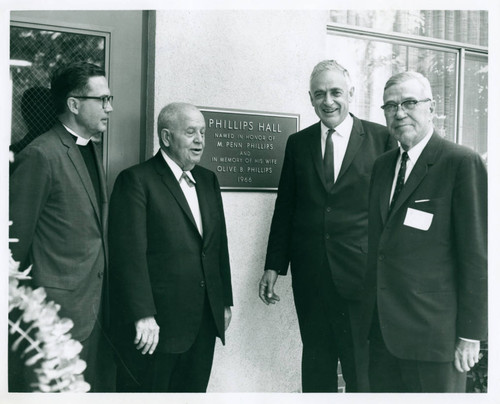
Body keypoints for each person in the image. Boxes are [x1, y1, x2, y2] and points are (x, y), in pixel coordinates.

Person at [259, 60, 396, 392]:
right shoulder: (298, 144)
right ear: (310, 98)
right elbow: (286, 209)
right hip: (312, 278)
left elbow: (390, 214)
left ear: (350, 93)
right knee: (317, 369)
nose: (328, 101)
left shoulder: (382, 140)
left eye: (336, 92)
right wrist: (273, 266)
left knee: (359, 372)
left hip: (360, 277)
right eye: (319, 94)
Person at [361, 71, 487, 392]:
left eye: (409, 102)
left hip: (436, 341)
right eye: (390, 106)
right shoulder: (382, 166)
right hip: (384, 336)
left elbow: (477, 256)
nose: (399, 112)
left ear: (431, 107)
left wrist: (470, 335)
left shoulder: (460, 163)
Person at [108, 102, 233, 392]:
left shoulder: (208, 180)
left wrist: (223, 300)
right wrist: (142, 314)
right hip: (156, 327)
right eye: (190, 132)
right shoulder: (136, 180)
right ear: (166, 137)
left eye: (202, 132)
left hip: (203, 323)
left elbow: (218, 245)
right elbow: (129, 256)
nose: (200, 140)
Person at [9, 61, 115, 391]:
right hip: (54, 313)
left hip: (93, 305)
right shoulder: (40, 154)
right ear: (73, 104)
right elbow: (14, 245)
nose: (110, 108)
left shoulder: (91, 149)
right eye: (102, 100)